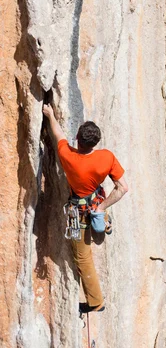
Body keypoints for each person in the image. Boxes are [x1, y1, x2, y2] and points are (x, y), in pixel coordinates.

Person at [42, 104, 128, 313]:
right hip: (97, 199)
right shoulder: (106, 157)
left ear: (78, 139)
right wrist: (101, 207)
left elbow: (58, 134)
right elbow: (123, 187)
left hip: (80, 212)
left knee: (82, 257)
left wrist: (50, 115)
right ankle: (103, 219)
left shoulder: (68, 156)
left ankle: (96, 302)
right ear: (95, 143)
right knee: (98, 203)